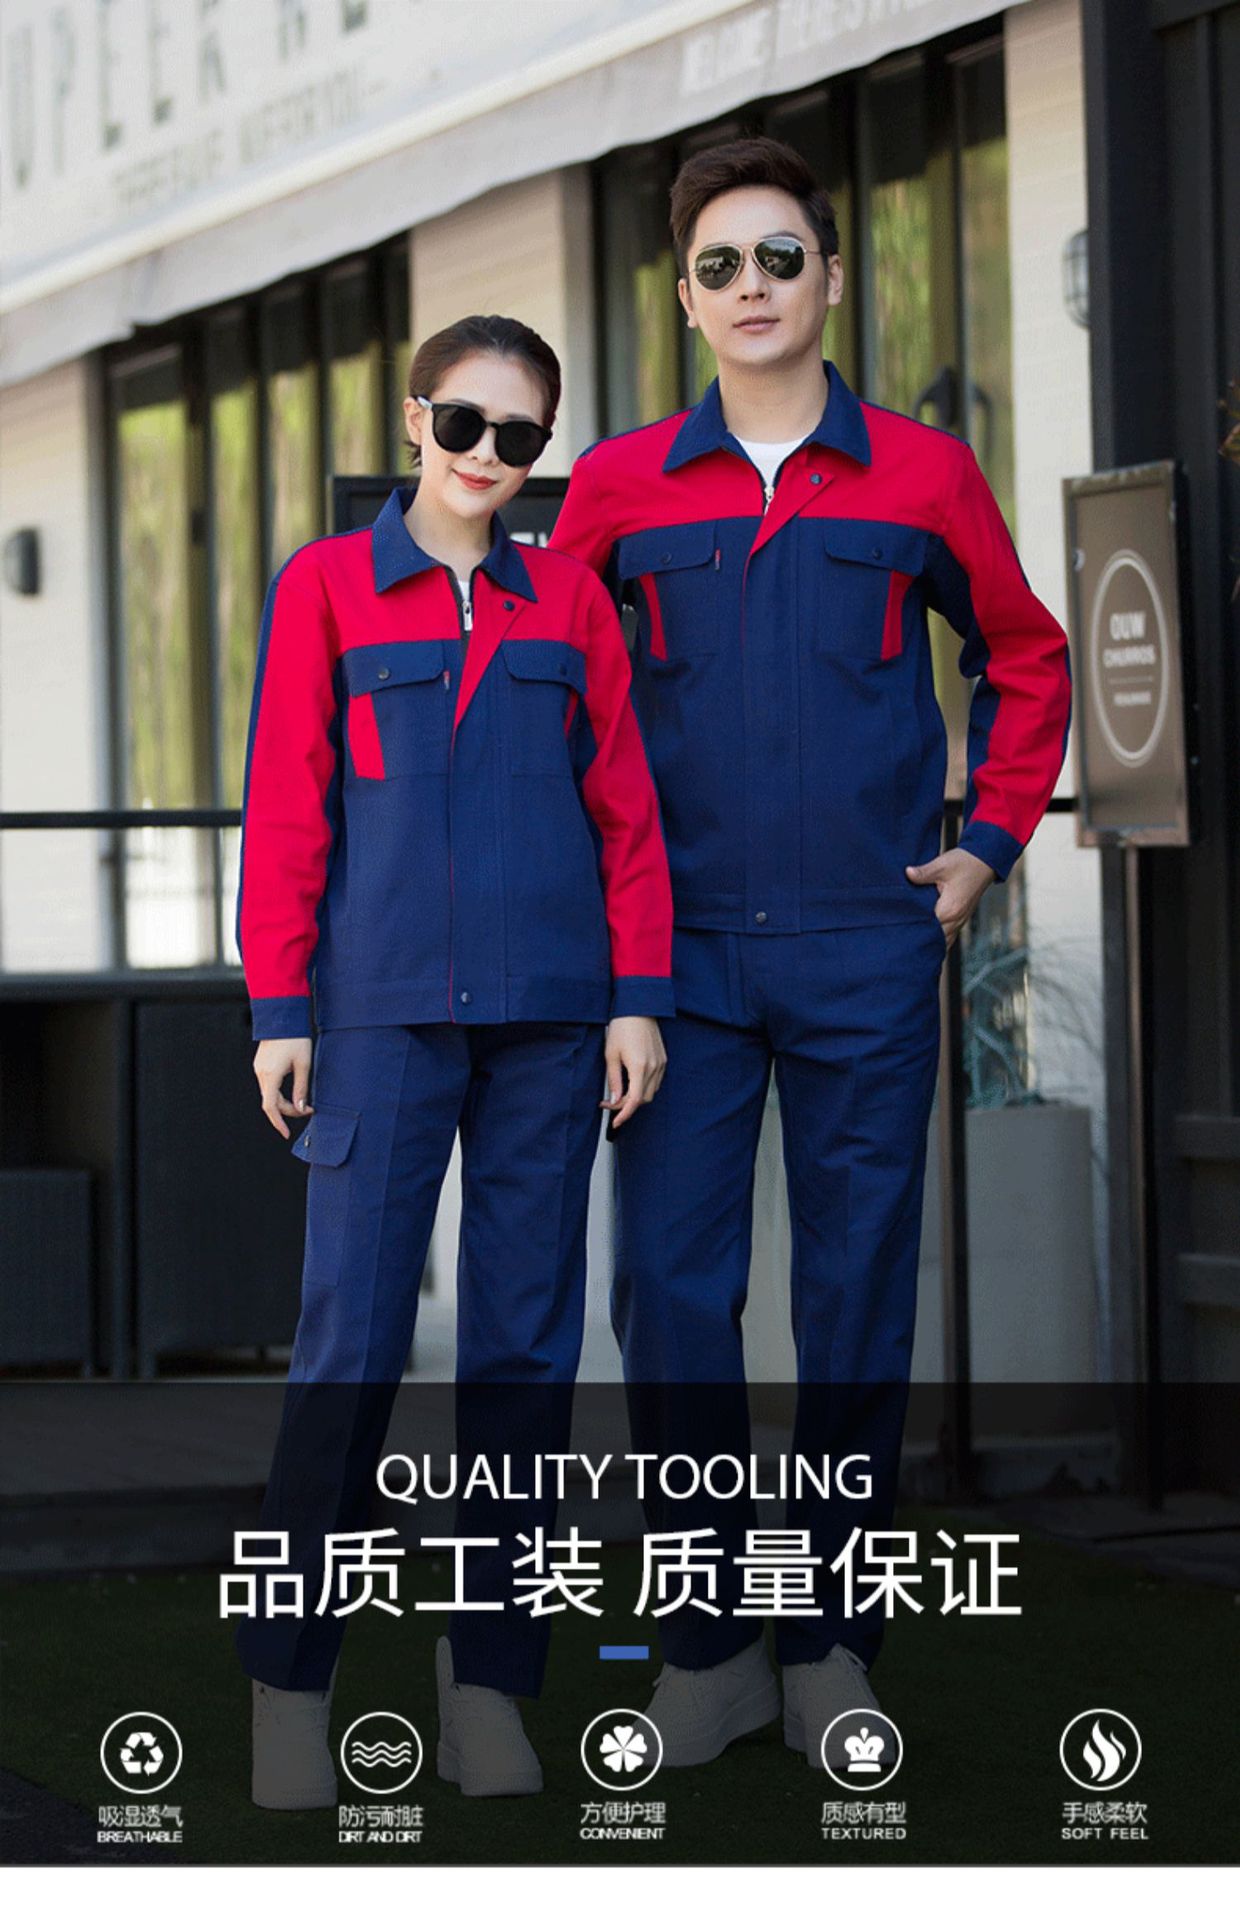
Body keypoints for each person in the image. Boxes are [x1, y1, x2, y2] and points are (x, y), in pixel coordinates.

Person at [551, 136, 1072, 1769]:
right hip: (677, 963)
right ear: (686, 299)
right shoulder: (618, 489)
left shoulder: (922, 476)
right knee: (670, 1297)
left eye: (782, 256)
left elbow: (1027, 656)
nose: (754, 286)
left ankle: (829, 1640)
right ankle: (708, 1651)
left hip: (864, 949)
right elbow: (549, 695)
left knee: (853, 1302)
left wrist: (989, 843)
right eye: (721, 264)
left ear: (832, 279)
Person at [233, 313, 673, 1806]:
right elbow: (287, 807)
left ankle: (490, 1680)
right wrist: (280, 1007)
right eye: (466, 423)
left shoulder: (572, 604)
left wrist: (637, 997)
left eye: (521, 436)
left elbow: (626, 811)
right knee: (349, 1351)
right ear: (416, 418)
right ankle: (291, 1685)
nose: (489, 455)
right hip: (375, 1017)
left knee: (526, 1361)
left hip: (552, 1019)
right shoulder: (326, 587)